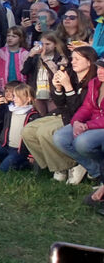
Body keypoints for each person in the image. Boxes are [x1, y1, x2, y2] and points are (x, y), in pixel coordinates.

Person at [22, 45, 98, 183]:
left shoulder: (93, 81)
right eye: (72, 58)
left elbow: (79, 109)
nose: (72, 61)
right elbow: (60, 102)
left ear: (89, 61)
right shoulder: (70, 74)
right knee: (28, 131)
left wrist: (68, 87)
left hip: (77, 117)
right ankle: (57, 165)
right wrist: (57, 88)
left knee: (44, 132)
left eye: (77, 59)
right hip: (62, 112)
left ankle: (73, 163)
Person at [53, 58, 104, 204]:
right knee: (60, 137)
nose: (100, 71)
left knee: (82, 142)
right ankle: (96, 172)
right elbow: (86, 107)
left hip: (98, 125)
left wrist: (87, 126)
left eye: (103, 69)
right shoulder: (95, 83)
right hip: (89, 122)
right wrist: (76, 122)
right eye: (99, 68)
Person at [0, 81, 39, 172]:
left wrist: (31, 154)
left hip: (19, 149)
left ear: (28, 98)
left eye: (17, 97)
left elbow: (34, 137)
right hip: (5, 146)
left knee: (3, 169)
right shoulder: (10, 110)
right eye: (14, 96)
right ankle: (6, 159)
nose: (14, 99)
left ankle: (22, 163)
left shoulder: (33, 115)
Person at [22, 32, 68, 116]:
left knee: (52, 117)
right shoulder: (35, 58)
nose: (45, 47)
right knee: (40, 116)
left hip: (52, 93)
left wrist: (44, 58)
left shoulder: (60, 58)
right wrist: (31, 55)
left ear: (55, 45)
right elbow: (24, 71)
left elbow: (56, 73)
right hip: (38, 93)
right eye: (42, 44)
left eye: (48, 44)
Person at [0, 26, 27, 94]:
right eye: (8, 35)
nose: (10, 38)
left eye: (14, 36)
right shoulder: (0, 53)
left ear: (20, 39)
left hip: (20, 87)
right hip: (4, 86)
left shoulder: (25, 54)